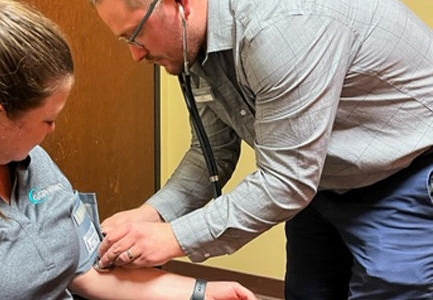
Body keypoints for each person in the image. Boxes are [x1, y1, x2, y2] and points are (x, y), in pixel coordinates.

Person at [0, 0, 259, 299]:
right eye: (48, 120)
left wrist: (203, 292)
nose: (52, 133)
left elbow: (85, 269)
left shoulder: (27, 161)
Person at [90, 0, 433, 298]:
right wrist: (152, 215)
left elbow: (286, 181)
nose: (135, 55)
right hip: (320, 179)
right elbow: (211, 152)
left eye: (135, 35)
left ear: (180, 4)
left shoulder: (281, 26)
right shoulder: (194, 44)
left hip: (403, 174)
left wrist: (173, 238)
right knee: (307, 292)